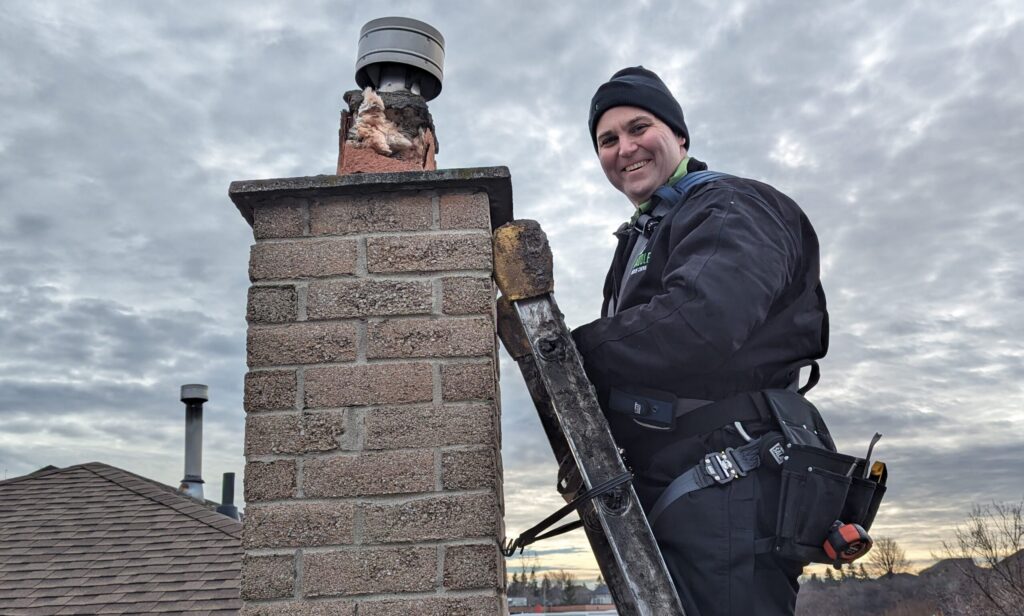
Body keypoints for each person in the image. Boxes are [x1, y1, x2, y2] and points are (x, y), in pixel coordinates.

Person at [571, 66, 829, 616]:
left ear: (680, 136)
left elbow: (699, 323)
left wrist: (568, 355)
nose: (625, 148)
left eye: (639, 127)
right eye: (607, 139)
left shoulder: (733, 206)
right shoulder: (645, 233)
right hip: (676, 479)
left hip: (728, 478)